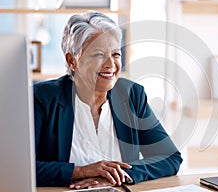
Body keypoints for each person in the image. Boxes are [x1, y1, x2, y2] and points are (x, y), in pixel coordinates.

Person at [33, 11, 182, 189]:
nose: (111, 64)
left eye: (116, 54)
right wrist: (80, 171)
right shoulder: (42, 98)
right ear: (72, 60)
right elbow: (16, 168)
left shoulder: (132, 95)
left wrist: (120, 176)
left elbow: (170, 157)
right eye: (99, 55)